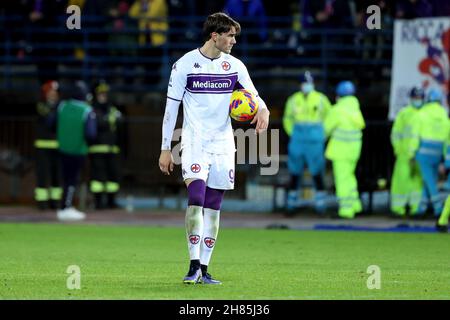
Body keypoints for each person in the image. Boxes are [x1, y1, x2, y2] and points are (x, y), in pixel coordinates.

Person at [158, 12, 270, 284]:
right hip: (194, 140)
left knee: (214, 206)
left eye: (235, 36)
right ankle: (193, 265)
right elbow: (170, 109)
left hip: (223, 143)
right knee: (196, 197)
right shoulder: (185, 64)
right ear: (214, 35)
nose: (234, 41)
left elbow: (254, 97)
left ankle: (205, 268)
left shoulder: (235, 66)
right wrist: (165, 147)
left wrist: (263, 109)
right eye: (230, 35)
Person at [282, 71, 331, 214]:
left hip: (315, 140)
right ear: (300, 84)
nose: (306, 86)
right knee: (294, 172)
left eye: (309, 83)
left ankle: (320, 205)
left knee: (317, 172)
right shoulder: (293, 100)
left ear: (313, 84)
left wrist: (323, 134)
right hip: (298, 140)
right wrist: (293, 133)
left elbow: (330, 117)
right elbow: (287, 118)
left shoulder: (321, 99)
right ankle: (291, 205)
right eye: (304, 83)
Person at [55, 81, 97, 221]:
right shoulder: (86, 110)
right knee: (72, 179)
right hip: (78, 149)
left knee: (65, 178)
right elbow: (91, 133)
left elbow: (51, 122)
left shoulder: (62, 106)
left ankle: (64, 206)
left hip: (62, 148)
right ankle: (66, 207)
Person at [324, 81, 365, 219]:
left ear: (338, 95)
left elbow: (325, 129)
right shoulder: (355, 108)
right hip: (354, 151)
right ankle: (355, 206)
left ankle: (346, 210)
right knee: (350, 179)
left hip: (341, 151)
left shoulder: (337, 110)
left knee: (342, 180)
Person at [411, 88, 449, 217]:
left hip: (424, 151)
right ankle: (421, 208)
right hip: (438, 152)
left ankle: (438, 209)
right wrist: (445, 157)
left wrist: (412, 153)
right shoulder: (444, 114)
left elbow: (415, 135)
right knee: (429, 180)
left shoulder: (422, 113)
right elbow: (447, 137)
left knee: (429, 181)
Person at [389, 87, 424, 216]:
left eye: (419, 98)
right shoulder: (404, 113)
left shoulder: (425, 113)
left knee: (417, 183)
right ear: (411, 98)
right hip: (404, 155)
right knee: (401, 181)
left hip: (420, 155)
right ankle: (398, 209)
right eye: (415, 98)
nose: (417, 100)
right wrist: (398, 149)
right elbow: (396, 133)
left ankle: (416, 208)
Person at [88, 81, 123, 210]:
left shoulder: (113, 110)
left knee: (113, 178)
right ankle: (98, 203)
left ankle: (111, 202)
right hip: (97, 149)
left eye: (104, 94)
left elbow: (120, 131)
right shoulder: (91, 110)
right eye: (100, 94)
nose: (103, 96)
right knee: (98, 178)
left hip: (112, 149)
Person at [34, 80, 62, 210]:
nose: (53, 95)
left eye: (55, 92)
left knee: (57, 175)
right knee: (43, 174)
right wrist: (59, 110)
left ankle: (55, 201)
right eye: (50, 92)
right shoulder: (41, 105)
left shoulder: (60, 106)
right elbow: (50, 121)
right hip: (43, 146)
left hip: (57, 146)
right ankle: (42, 202)